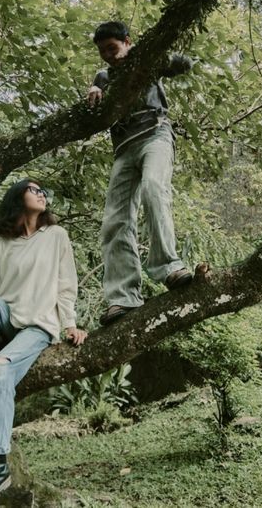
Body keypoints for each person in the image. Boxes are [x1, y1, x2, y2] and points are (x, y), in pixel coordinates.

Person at [0, 178, 87, 507]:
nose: (41, 194)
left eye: (44, 191)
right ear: (18, 198)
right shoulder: (3, 241)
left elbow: (66, 284)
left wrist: (69, 323)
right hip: (5, 321)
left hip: (36, 327)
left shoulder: (55, 236)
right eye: (34, 189)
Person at [87, 20, 194, 326]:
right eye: (103, 51)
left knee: (153, 188)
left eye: (113, 48)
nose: (109, 55)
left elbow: (184, 64)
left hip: (155, 135)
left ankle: (168, 266)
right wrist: (95, 88)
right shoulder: (105, 76)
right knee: (114, 220)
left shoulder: (146, 60)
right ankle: (123, 297)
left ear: (127, 42)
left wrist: (152, 57)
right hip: (123, 149)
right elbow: (97, 97)